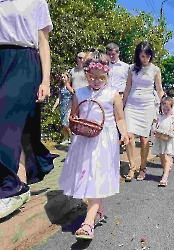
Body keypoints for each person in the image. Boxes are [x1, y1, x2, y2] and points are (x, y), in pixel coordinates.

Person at [58, 51, 129, 239]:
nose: (96, 81)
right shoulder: (79, 93)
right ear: (86, 74)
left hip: (104, 141)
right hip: (83, 139)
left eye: (101, 77)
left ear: (107, 75)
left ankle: (88, 223)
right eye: (92, 77)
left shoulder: (112, 94)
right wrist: (73, 121)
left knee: (97, 176)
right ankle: (98, 210)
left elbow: (119, 117)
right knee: (87, 177)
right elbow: (74, 114)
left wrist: (125, 133)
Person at [0, 0, 55, 218]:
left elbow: (43, 42)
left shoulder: (35, 1)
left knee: (5, 123)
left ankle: (10, 189)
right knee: (17, 129)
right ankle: (19, 183)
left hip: (23, 60)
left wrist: (46, 81)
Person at [122, 41, 164, 182]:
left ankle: (143, 167)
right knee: (128, 135)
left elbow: (159, 90)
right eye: (142, 56)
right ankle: (132, 166)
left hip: (147, 105)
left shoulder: (155, 70)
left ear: (151, 55)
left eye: (147, 56)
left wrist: (166, 103)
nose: (145, 59)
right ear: (137, 56)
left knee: (144, 139)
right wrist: (121, 105)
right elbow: (127, 87)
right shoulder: (132, 69)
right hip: (132, 104)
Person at [151, 96, 174, 187]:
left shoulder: (173, 117)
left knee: (167, 156)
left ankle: (165, 177)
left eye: (168, 109)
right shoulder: (159, 117)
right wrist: (154, 130)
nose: (165, 111)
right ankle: (165, 169)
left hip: (169, 139)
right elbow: (156, 126)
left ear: (171, 108)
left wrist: (173, 129)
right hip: (160, 139)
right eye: (164, 109)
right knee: (162, 157)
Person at [52, 71, 75, 145]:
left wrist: (68, 85)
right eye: (61, 77)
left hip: (69, 105)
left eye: (64, 77)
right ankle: (67, 138)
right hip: (62, 106)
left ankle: (72, 139)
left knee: (66, 123)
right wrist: (54, 106)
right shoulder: (61, 87)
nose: (62, 78)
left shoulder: (71, 86)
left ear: (68, 78)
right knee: (63, 124)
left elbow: (74, 94)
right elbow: (59, 98)